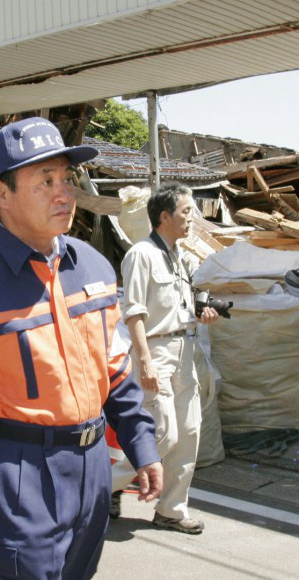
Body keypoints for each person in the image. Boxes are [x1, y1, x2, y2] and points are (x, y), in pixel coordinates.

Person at [0, 117, 163, 579]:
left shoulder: (94, 268)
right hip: (15, 473)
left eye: (66, 179)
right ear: (0, 194)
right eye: (44, 181)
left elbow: (114, 369)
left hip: (93, 464)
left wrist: (141, 441)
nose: (64, 194)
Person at [109, 182, 218, 533]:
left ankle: (171, 510)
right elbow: (134, 313)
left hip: (185, 349)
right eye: (186, 212)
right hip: (154, 351)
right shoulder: (141, 254)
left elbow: (180, 306)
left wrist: (203, 312)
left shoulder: (179, 256)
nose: (192, 219)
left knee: (188, 433)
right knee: (162, 434)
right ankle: (99, 487)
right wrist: (144, 361)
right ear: (164, 216)